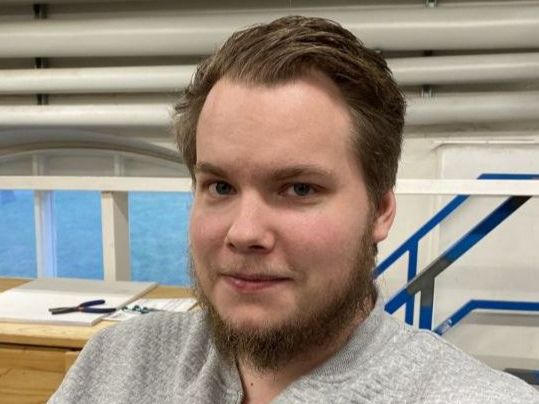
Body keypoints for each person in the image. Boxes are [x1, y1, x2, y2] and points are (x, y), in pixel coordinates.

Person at [50, 16, 538, 404]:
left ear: (381, 211)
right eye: (220, 186)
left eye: (299, 189)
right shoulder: (116, 366)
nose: (244, 232)